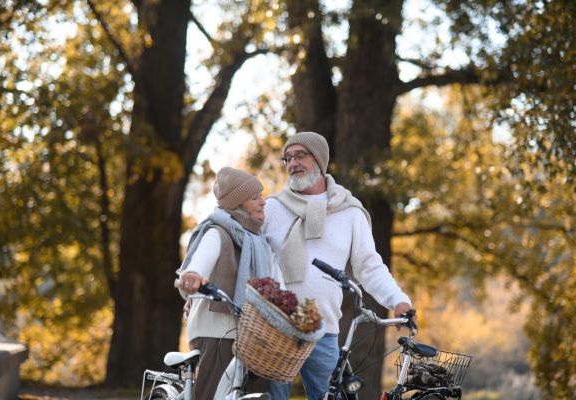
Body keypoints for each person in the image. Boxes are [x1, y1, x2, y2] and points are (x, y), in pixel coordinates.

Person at [263, 132, 413, 400]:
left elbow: (370, 267)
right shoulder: (271, 208)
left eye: (300, 155)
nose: (292, 163)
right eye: (288, 157)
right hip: (275, 328)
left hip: (323, 331)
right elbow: (244, 257)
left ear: (319, 161)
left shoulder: (350, 212)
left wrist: (398, 299)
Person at [177, 166, 284, 400]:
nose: (263, 202)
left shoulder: (260, 242)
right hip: (218, 333)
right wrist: (194, 274)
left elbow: (276, 286)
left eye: (262, 195)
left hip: (253, 334)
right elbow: (203, 256)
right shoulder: (217, 232)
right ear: (238, 204)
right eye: (255, 197)